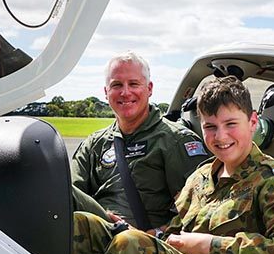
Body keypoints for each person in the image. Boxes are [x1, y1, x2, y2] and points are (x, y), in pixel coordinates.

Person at [72, 76, 274, 254]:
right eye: (210, 127)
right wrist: (143, 233)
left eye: (231, 124)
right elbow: (175, 230)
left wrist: (209, 245)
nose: (220, 136)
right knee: (83, 225)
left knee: (129, 244)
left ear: (252, 122)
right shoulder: (201, 176)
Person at [71, 51, 209, 235]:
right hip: (93, 234)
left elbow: (202, 208)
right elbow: (69, 196)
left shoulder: (176, 141)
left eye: (134, 84)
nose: (125, 92)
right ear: (106, 92)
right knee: (58, 190)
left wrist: (159, 233)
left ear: (149, 88)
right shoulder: (94, 144)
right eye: (117, 85)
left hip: (144, 246)